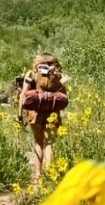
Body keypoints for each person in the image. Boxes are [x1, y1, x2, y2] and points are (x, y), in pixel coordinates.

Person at [17, 52, 69, 185]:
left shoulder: (32, 72)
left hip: (35, 113)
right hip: (53, 113)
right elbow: (64, 94)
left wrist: (19, 114)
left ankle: (37, 177)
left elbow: (23, 94)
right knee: (49, 143)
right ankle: (49, 174)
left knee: (38, 143)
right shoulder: (57, 73)